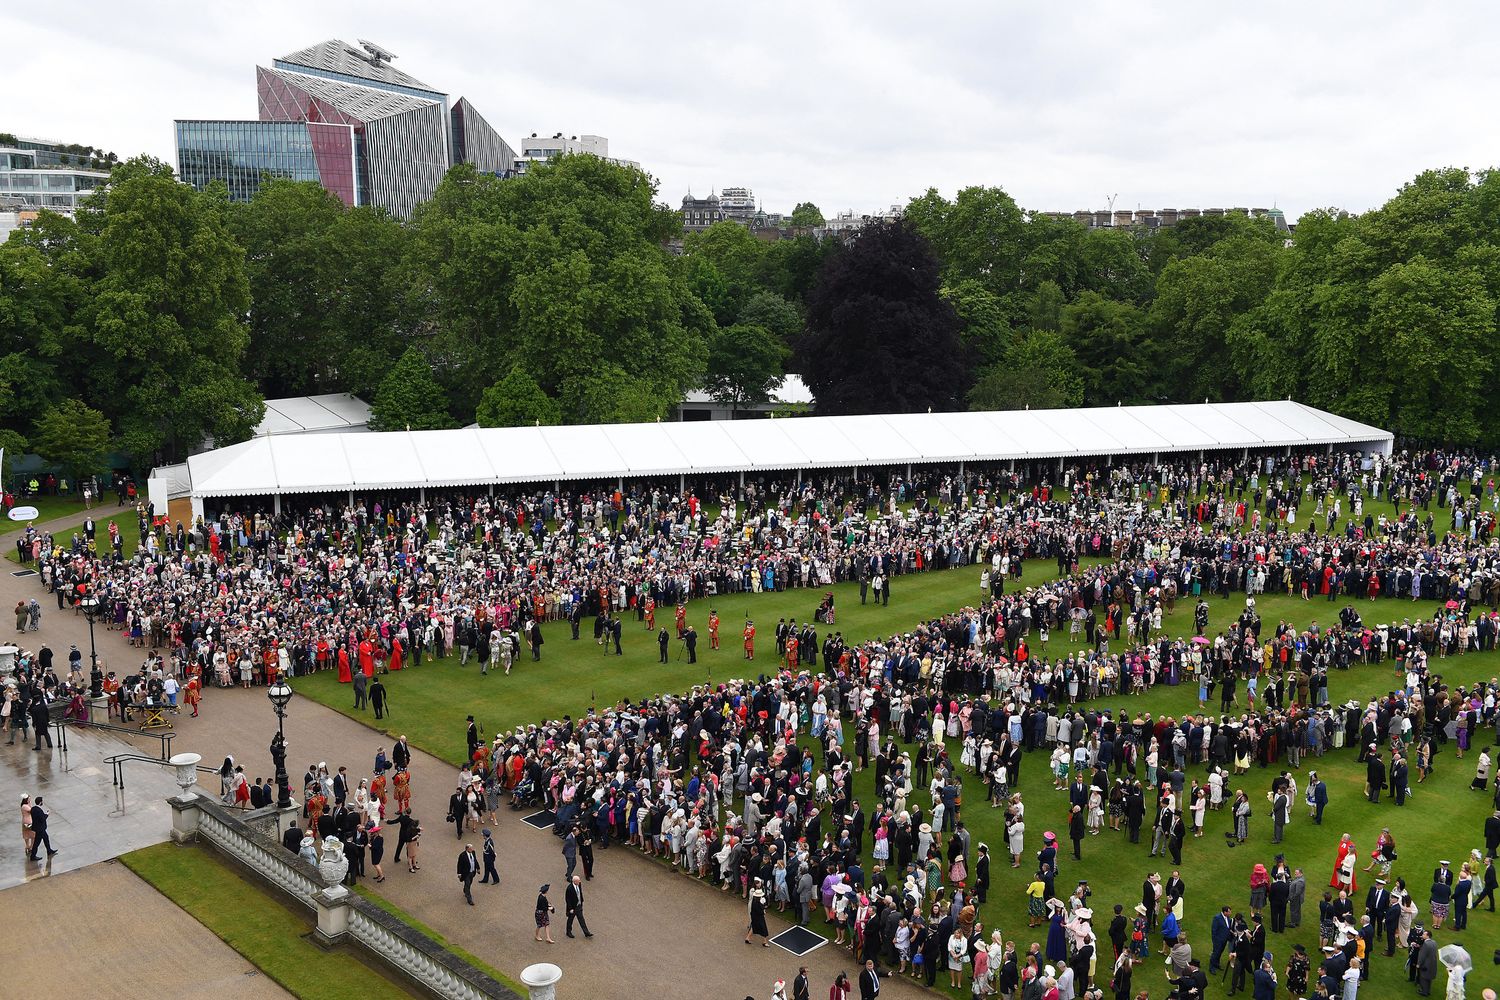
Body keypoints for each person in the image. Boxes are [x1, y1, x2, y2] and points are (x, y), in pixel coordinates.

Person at [746, 877, 771, 946]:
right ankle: (764, 942)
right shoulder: (756, 901)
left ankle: (748, 938)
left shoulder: (756, 901)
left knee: (754, 926)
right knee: (763, 928)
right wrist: (763, 911)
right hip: (758, 916)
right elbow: (760, 910)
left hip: (754, 914)